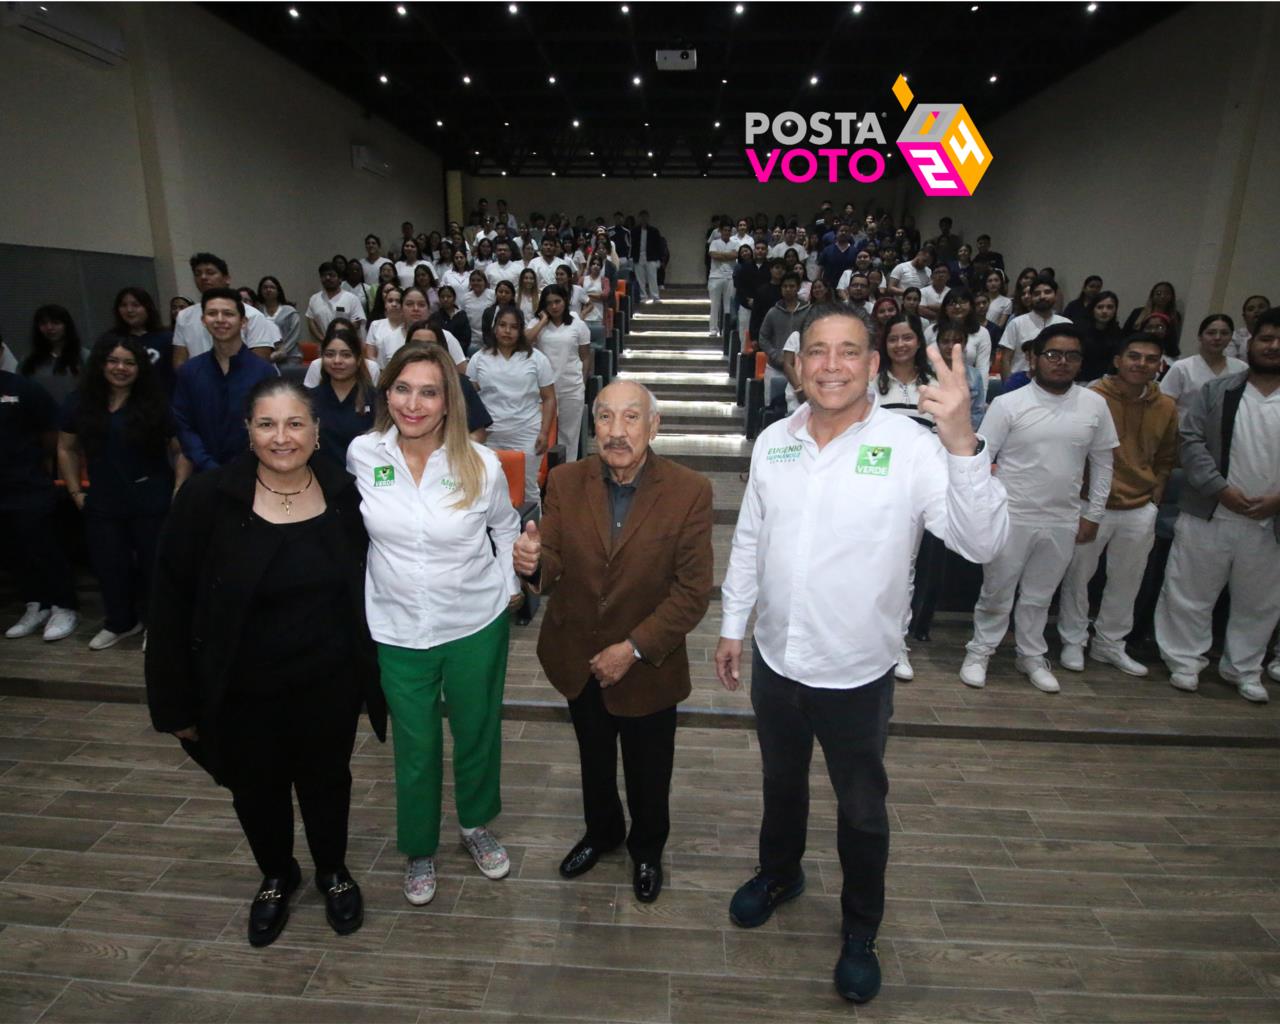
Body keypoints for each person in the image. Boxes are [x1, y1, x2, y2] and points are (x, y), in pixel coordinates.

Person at [715, 307, 1008, 1005]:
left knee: (861, 811)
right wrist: (732, 625)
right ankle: (780, 873)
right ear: (797, 364)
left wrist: (962, 436)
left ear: (875, 364)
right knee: (780, 787)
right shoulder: (773, 442)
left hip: (857, 673)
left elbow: (984, 543)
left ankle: (859, 929)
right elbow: (752, 538)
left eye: (849, 351)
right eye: (817, 351)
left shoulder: (914, 447)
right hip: (775, 660)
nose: (832, 365)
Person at [147, 376, 383, 947]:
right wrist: (173, 701)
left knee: (328, 782)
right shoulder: (207, 499)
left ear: (318, 431)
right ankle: (277, 875)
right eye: (268, 424)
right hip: (239, 687)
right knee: (255, 788)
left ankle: (332, 869)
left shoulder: (346, 496)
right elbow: (170, 602)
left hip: (326, 681)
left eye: (295, 423)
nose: (283, 437)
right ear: (249, 433)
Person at [514, 380, 712, 903]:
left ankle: (647, 849)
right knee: (594, 759)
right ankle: (602, 832)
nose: (616, 431)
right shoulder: (564, 480)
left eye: (630, 418)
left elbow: (692, 594)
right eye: (605, 418)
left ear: (654, 426)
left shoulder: (690, 490)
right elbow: (552, 567)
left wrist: (633, 648)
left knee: (650, 771)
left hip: (648, 664)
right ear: (594, 425)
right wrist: (534, 567)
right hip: (576, 655)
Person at [346, 343, 521, 906]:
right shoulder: (361, 454)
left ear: (449, 401)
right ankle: (419, 848)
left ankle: (474, 826)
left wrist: (511, 592)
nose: (413, 404)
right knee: (414, 746)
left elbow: (506, 528)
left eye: (428, 391)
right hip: (396, 629)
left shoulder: (481, 463)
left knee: (476, 732)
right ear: (386, 393)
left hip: (474, 622)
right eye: (402, 389)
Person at [962, 324, 1119, 694]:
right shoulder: (1009, 404)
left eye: (1071, 356)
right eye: (1053, 354)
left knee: (1039, 595)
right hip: (1012, 516)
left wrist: (1093, 513)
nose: (1061, 362)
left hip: (1063, 518)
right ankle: (980, 651)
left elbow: (1103, 464)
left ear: (1081, 362)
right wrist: (981, 511)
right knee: (997, 591)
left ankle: (1031, 655)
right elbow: (982, 459)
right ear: (1034, 358)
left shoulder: (1095, 404)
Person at [1155, 310, 1280, 702]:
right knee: (1190, 591)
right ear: (1251, 342)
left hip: (1269, 519)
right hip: (1211, 510)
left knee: (1259, 602)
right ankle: (1184, 661)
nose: (1273, 347)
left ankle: (1243, 669)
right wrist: (1220, 489)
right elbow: (1190, 442)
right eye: (1266, 339)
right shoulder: (1219, 391)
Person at [1056, 334, 1177, 677]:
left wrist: (1155, 496)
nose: (1141, 364)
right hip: (1090, 502)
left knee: (1127, 581)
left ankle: (1110, 643)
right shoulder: (1091, 398)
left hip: (1139, 506)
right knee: (1078, 578)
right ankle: (1073, 640)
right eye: (1134, 357)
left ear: (1160, 365)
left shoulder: (1166, 405)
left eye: (1150, 359)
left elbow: (1167, 457)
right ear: (1118, 361)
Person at [57, 335, 186, 651]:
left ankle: (158, 627)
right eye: (113, 361)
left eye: (129, 362)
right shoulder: (79, 402)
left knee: (154, 568)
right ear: (100, 364)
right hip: (102, 501)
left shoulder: (156, 404)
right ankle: (121, 622)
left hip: (151, 499)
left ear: (140, 368)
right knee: (108, 565)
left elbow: (182, 450)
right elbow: (66, 447)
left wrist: (178, 488)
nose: (121, 368)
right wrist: (75, 492)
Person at [1, 355, 80, 643]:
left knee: (44, 548)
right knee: (14, 552)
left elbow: (50, 435)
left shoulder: (24, 388)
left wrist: (41, 471)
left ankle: (64, 606)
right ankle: (36, 604)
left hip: (28, 484)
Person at [172, 289, 278, 472]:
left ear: (243, 322)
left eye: (228, 314)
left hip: (254, 474)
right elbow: (184, 425)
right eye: (212, 314)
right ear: (203, 321)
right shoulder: (189, 371)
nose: (220, 319)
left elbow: (272, 426)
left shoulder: (264, 372)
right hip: (203, 474)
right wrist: (207, 464)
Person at [466, 304, 556, 505]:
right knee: (487, 488)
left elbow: (549, 398)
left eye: (514, 327)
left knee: (528, 488)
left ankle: (532, 534)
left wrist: (544, 433)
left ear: (521, 330)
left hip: (526, 432)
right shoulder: (479, 358)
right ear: (494, 327)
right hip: (489, 435)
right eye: (502, 325)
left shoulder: (536, 359)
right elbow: (469, 396)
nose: (507, 331)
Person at [172, 253, 279, 367]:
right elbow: (179, 361)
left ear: (227, 279)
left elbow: (260, 361)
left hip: (244, 380)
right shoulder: (184, 316)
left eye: (210, 273)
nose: (203, 277)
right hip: (199, 379)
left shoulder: (252, 315)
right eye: (198, 274)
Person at [527, 284, 591, 462]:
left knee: (569, 436)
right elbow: (524, 343)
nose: (554, 306)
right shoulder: (537, 323)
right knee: (541, 433)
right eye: (549, 303)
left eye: (558, 301)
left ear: (565, 301)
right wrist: (542, 322)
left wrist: (583, 383)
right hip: (542, 389)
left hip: (571, 387)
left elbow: (585, 356)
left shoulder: (578, 325)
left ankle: (566, 477)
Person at [308, 323, 376, 468]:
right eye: (330, 354)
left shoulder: (376, 399)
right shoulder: (309, 400)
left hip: (365, 479)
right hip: (321, 480)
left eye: (346, 355)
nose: (337, 361)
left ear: (358, 360)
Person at [1160, 314, 1247, 420]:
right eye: (1211, 333)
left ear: (1230, 337)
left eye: (1224, 333)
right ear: (1200, 336)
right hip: (1183, 431)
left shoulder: (1241, 368)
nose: (1217, 338)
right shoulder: (1182, 367)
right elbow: (1164, 403)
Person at [101, 287, 176, 394]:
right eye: (123, 305)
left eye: (136, 305)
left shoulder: (167, 339)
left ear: (147, 308)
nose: (129, 310)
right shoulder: (109, 340)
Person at [996, 274, 1070, 379]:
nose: (1042, 296)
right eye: (1037, 293)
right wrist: (1008, 387)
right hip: (1021, 382)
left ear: (1055, 295)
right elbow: (1006, 359)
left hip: (1056, 382)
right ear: (1031, 297)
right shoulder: (1017, 323)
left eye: (1047, 292)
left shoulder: (1066, 324)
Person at [21, 305, 89, 406]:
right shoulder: (28, 361)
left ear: (66, 325)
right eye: (43, 324)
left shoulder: (84, 356)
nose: (49, 328)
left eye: (56, 323)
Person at [307, 262, 367, 342]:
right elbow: (311, 321)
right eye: (324, 275)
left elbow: (356, 323)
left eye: (331, 275)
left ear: (340, 279)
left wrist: (338, 338)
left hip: (347, 344)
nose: (327, 278)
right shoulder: (314, 299)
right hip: (322, 345)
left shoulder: (352, 299)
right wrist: (323, 339)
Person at [1074, 289, 1123, 382]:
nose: (1104, 311)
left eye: (1110, 307)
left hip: (1106, 382)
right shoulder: (1079, 330)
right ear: (1093, 309)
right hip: (1079, 380)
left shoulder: (1118, 333)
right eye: (1100, 307)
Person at [256, 276, 303, 366]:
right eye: (265, 287)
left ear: (278, 291)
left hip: (290, 356)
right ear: (260, 291)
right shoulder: (258, 312)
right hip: (267, 357)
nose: (268, 290)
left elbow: (294, 336)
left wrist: (281, 352)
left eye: (272, 287)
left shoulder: (290, 311)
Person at [1123, 281, 1183, 347]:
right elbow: (1125, 335)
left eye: (1167, 293)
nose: (1162, 296)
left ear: (1172, 297)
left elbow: (1173, 341)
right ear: (1152, 296)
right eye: (1158, 293)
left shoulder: (1175, 316)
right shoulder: (1137, 313)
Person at [706, 224, 739, 337]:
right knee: (714, 304)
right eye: (725, 230)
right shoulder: (715, 243)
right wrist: (727, 255)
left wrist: (723, 255)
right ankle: (713, 329)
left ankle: (726, 329)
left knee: (728, 305)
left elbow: (735, 255)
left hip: (730, 276)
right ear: (720, 231)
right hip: (715, 276)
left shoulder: (735, 243)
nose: (727, 232)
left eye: (729, 230)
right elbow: (714, 255)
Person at [364, 284, 406, 371]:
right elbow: (370, 355)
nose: (394, 304)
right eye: (390, 301)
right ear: (385, 304)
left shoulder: (408, 327)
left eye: (398, 301)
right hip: (381, 373)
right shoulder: (375, 325)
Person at [631, 210, 665, 303]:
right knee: (640, 278)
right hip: (638, 257)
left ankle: (655, 296)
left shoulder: (654, 231)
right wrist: (632, 257)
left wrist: (659, 259)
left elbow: (659, 245)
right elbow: (632, 245)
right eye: (642, 217)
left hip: (651, 257)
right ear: (639, 218)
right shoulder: (634, 231)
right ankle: (643, 296)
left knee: (652, 277)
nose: (644, 219)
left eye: (645, 217)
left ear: (648, 218)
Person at [461, 270, 496, 350]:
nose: (476, 283)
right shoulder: (466, 297)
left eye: (479, 280)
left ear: (485, 282)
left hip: (490, 337)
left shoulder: (492, 294)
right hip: (472, 340)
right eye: (473, 280)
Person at [1228, 294, 1271, 360]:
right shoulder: (1235, 337)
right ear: (1244, 317)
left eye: (1261, 307)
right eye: (1251, 309)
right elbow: (1230, 363)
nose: (1256, 311)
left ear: (1270, 311)